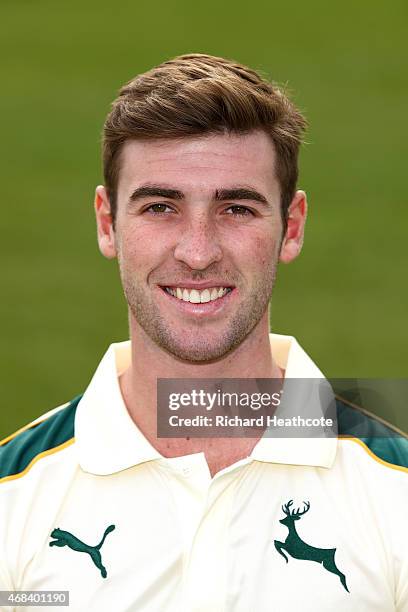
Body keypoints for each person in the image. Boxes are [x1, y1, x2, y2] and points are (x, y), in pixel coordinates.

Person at [0, 54, 407, 612]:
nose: (197, 252)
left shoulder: (396, 490)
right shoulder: (11, 496)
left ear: (291, 228)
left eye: (236, 209)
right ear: (106, 223)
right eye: (160, 207)